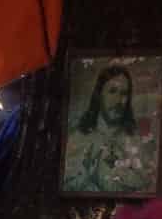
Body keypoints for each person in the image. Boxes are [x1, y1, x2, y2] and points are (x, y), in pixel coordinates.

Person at [64, 64, 153, 196]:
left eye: (124, 93)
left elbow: (146, 184)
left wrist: (119, 170)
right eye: (112, 91)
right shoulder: (78, 137)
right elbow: (68, 184)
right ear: (99, 95)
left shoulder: (135, 140)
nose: (118, 100)